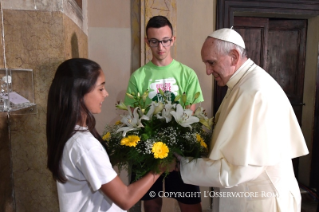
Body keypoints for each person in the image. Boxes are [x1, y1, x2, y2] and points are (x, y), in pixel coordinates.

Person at [175, 28, 309, 212]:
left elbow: (239, 170)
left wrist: (182, 165)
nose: (207, 71)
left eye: (211, 63)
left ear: (233, 56)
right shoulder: (241, 84)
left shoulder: (255, 92)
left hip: (261, 201)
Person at [46, 58, 175, 212]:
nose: (106, 94)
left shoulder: (72, 135)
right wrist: (159, 168)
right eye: (100, 89)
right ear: (79, 93)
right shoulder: (85, 145)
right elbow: (126, 199)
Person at [124, 16, 203, 212]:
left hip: (180, 150)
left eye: (165, 40)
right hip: (148, 149)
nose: (161, 47)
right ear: (147, 42)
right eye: (154, 41)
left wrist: (173, 145)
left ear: (173, 40)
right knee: (151, 205)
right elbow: (135, 115)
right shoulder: (138, 77)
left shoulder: (187, 74)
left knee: (190, 204)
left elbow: (189, 114)